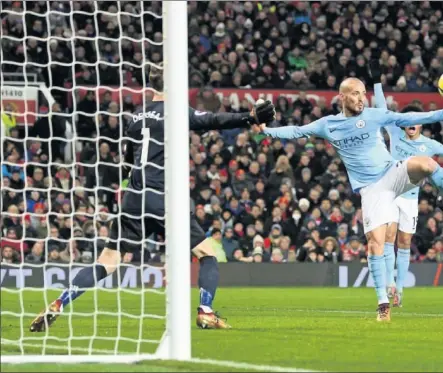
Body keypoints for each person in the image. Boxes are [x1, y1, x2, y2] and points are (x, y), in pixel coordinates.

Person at [30, 65, 276, 332]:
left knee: (107, 261)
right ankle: (205, 311)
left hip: (134, 199)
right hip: (164, 197)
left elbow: (126, 162)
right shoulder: (177, 112)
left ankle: (60, 301)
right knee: (207, 254)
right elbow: (214, 120)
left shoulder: (135, 117)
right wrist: (249, 117)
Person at [254, 77, 443, 321]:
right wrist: (266, 130)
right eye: (355, 94)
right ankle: (382, 304)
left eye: (363, 93)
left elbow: (411, 119)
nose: (361, 98)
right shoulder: (328, 124)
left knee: (427, 164)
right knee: (375, 243)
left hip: (392, 172)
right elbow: (297, 131)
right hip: (371, 188)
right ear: (342, 97)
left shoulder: (374, 115)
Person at [370, 61, 443, 308]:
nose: (410, 125)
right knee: (388, 237)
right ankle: (390, 282)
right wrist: (376, 82)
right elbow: (381, 108)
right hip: (392, 192)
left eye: (415, 121)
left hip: (411, 198)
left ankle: (399, 288)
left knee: (404, 242)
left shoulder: (432, 146)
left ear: (420, 124)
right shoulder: (395, 131)